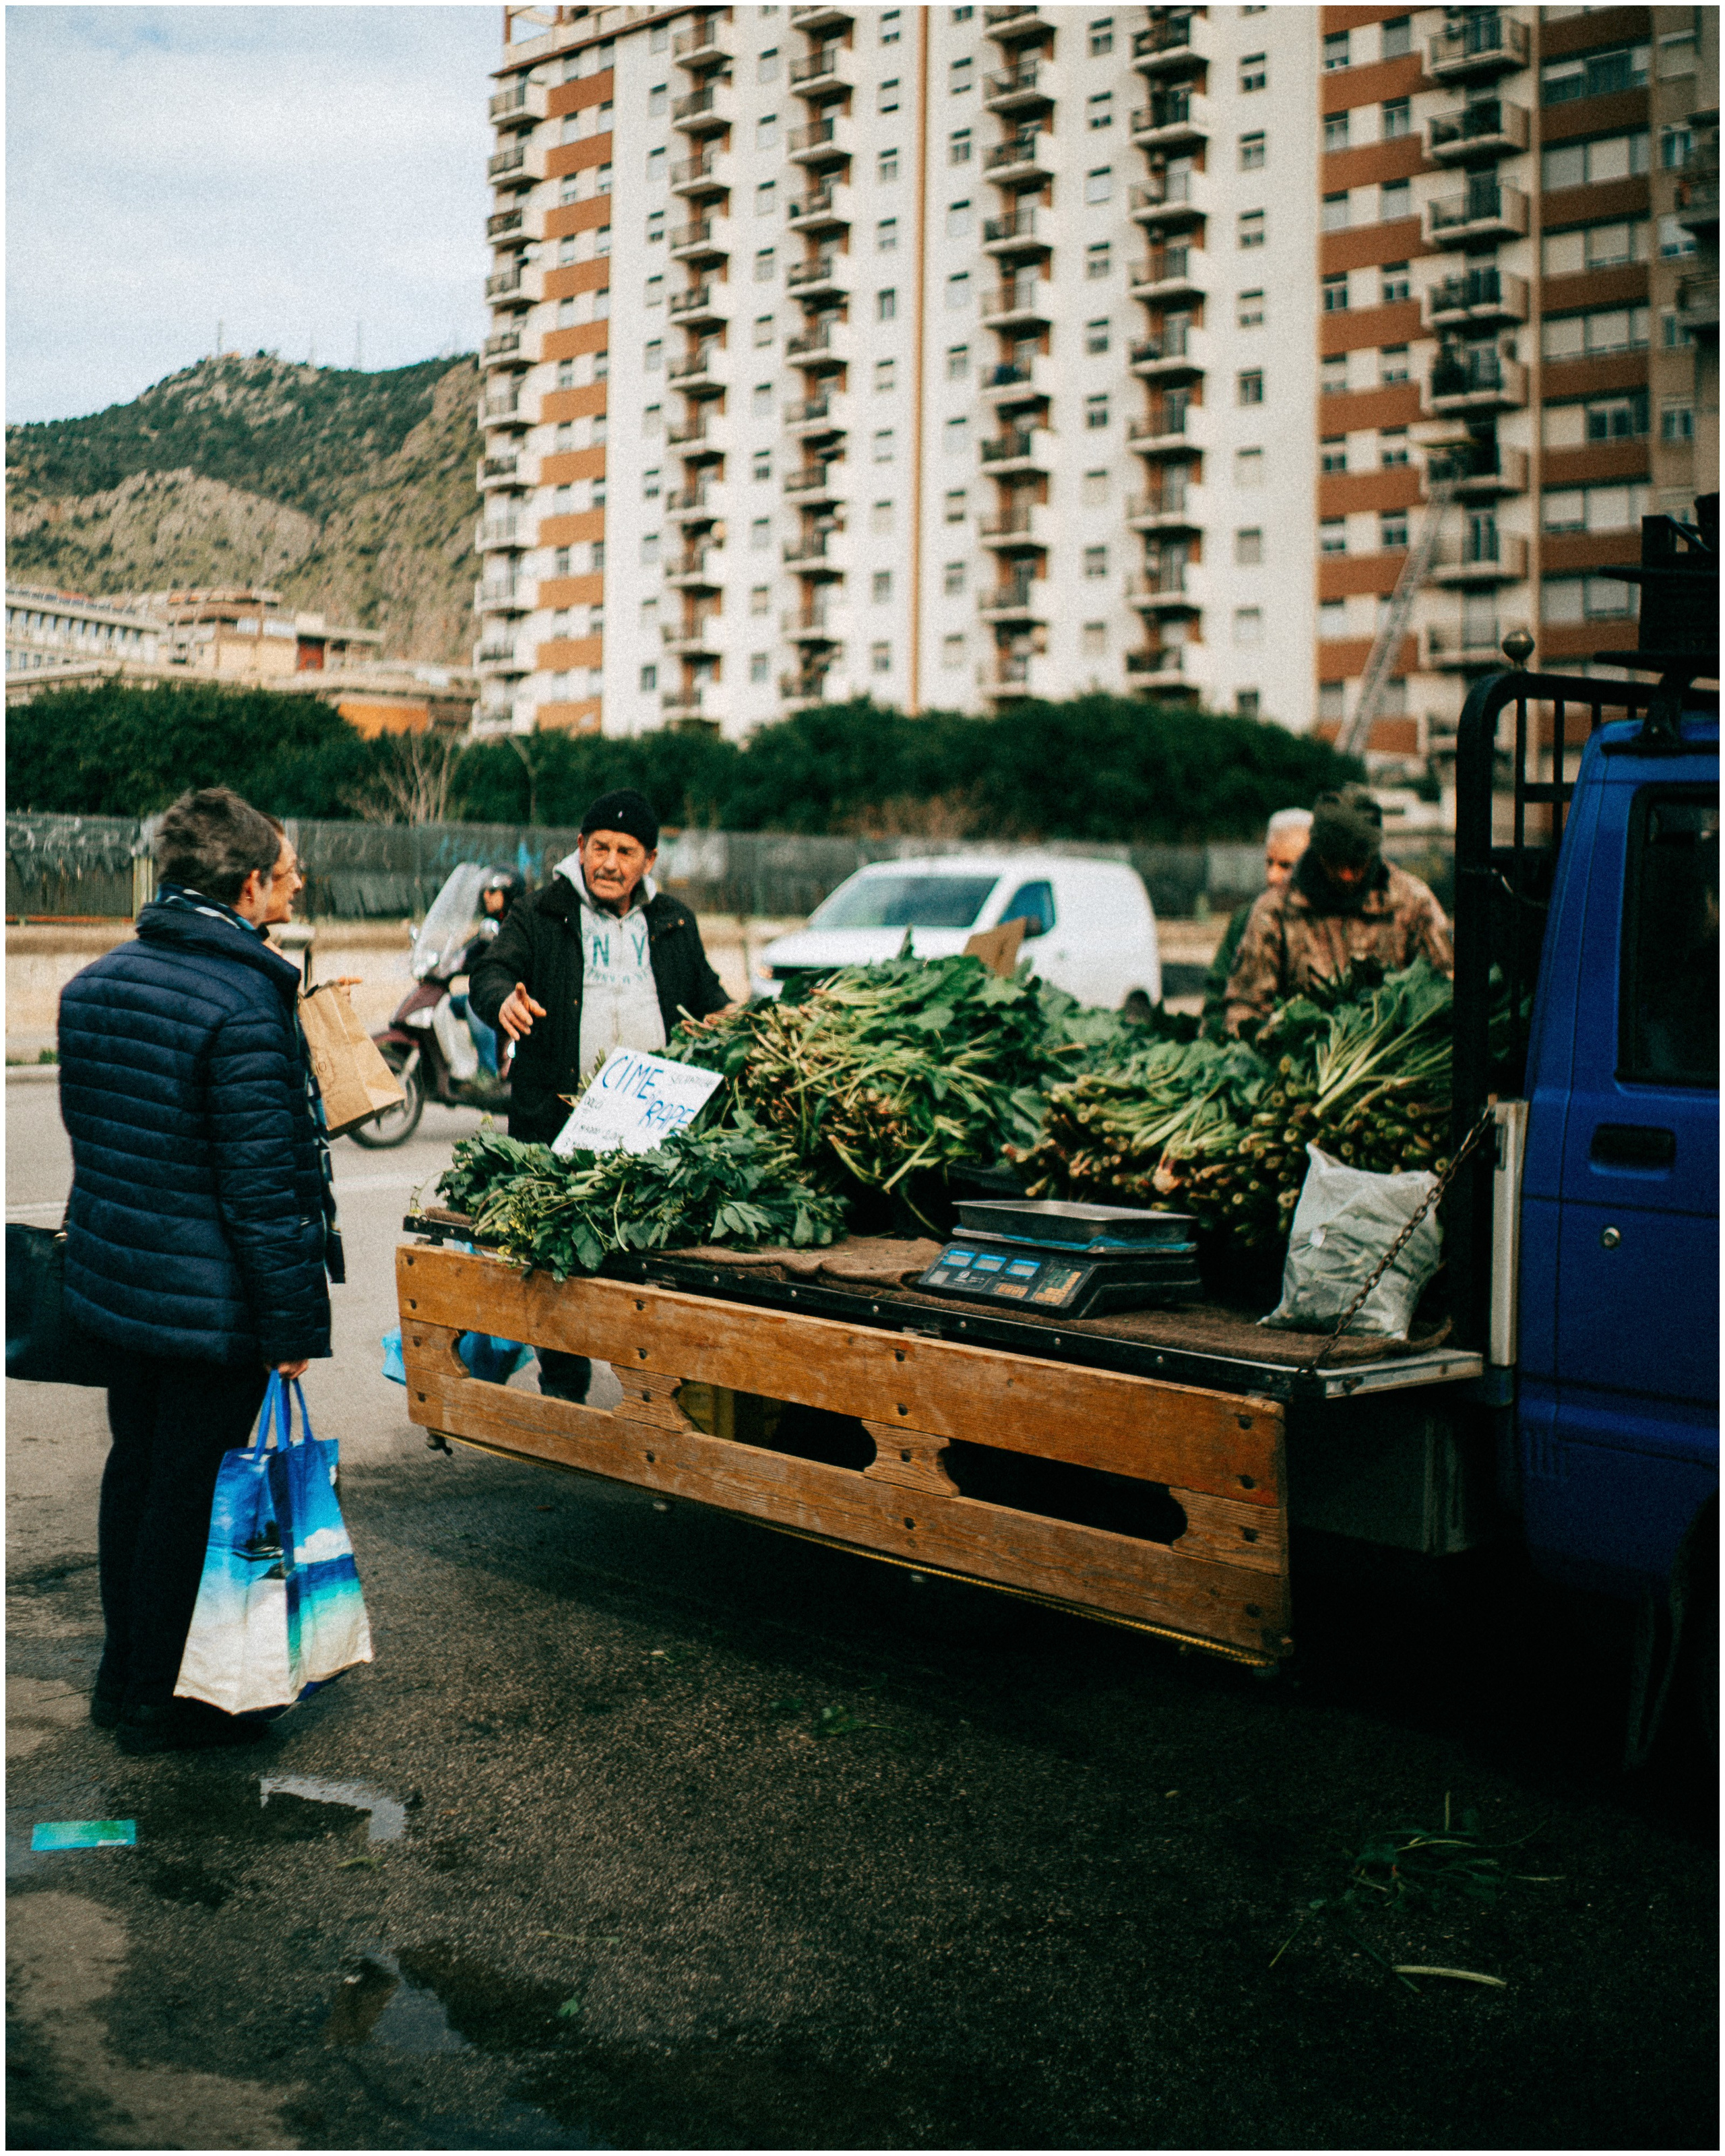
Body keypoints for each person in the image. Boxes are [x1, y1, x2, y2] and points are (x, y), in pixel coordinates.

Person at [57, 787, 342, 1754]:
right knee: (191, 1491)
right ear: (252, 883)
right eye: (288, 868)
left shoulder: (95, 984)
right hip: (211, 1305)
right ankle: (170, 1699)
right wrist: (294, 1329)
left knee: (135, 1474)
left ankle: (123, 1676)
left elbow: (104, 1149)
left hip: (115, 1287)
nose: (297, 881)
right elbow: (265, 1192)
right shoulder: (246, 1001)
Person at [469, 787, 730, 1400]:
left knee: (654, 1264)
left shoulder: (673, 921)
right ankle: (565, 1386)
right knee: (559, 1264)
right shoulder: (540, 914)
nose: (611, 863)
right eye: (600, 847)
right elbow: (492, 970)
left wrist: (730, 1021)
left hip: (655, 1128)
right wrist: (502, 999)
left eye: (627, 851)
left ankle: (656, 1391)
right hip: (558, 1122)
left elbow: (708, 996)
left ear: (650, 861)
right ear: (580, 849)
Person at [1224, 784, 1453, 1036]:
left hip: (1396, 1059)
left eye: (1357, 863)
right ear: (1318, 852)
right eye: (1335, 862)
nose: (1346, 875)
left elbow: (1444, 993)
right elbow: (1245, 1010)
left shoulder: (1413, 903)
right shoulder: (1276, 910)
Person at [1200, 808, 1313, 1038]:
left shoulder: (1326, 924)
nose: (1272, 875)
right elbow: (1215, 997)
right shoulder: (1246, 919)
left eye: (1286, 866)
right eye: (1269, 862)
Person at [454, 867, 528, 1079]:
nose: (486, 896)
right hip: (495, 993)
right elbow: (473, 951)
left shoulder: (515, 925)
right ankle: (461, 1065)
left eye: (494, 891)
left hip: (512, 996)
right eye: (485, 891)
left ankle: (488, 1071)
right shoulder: (491, 924)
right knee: (450, 1005)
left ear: (509, 894)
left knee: (472, 1004)